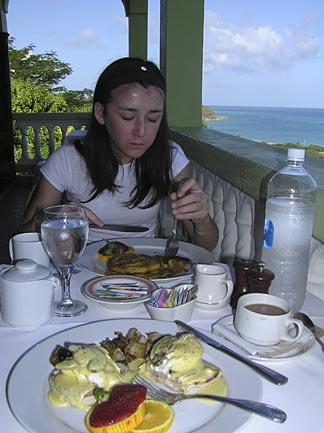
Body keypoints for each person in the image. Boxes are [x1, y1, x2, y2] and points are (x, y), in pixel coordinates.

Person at [19, 57, 218, 251]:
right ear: (100, 113)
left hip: (144, 268)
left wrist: (202, 219)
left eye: (152, 119)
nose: (141, 131)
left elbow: (206, 245)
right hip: (81, 268)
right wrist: (49, 218)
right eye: (127, 117)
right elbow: (20, 238)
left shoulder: (170, 159)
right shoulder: (67, 160)